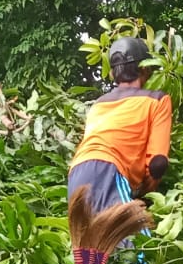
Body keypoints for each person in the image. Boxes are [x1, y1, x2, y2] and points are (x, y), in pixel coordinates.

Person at [68, 36, 172, 215]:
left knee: (90, 241)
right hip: (109, 170)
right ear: (145, 68)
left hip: (77, 172)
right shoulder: (157, 100)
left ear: (114, 72)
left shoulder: (98, 104)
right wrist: (145, 191)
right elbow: (158, 163)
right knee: (135, 239)